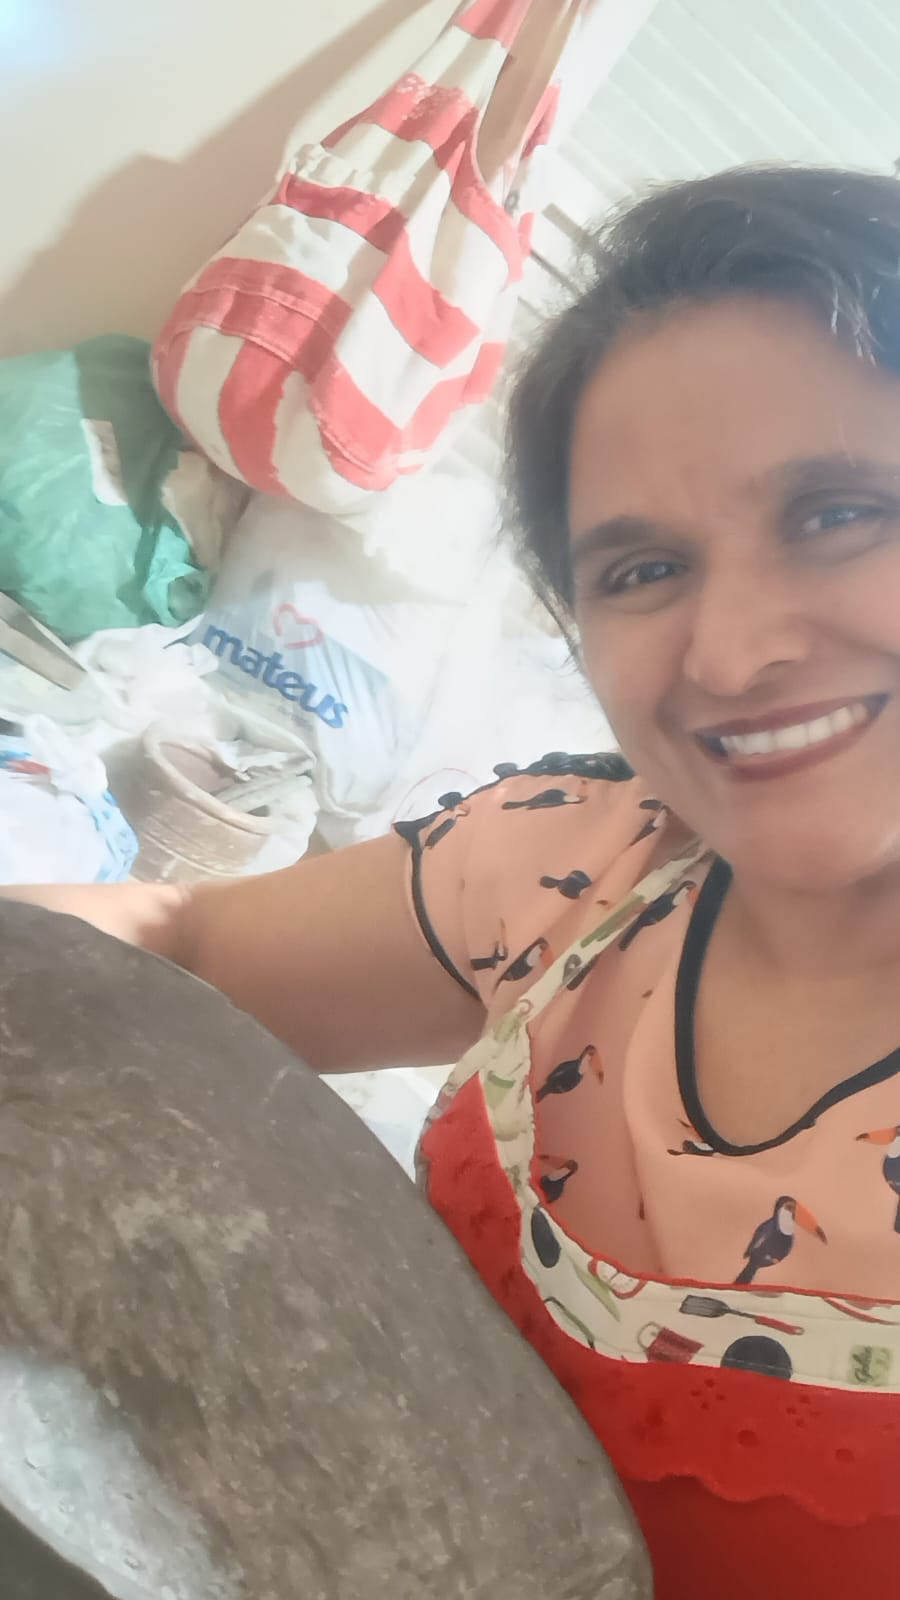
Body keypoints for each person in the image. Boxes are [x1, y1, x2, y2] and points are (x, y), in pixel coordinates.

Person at [11, 163, 900, 1597]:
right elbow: (179, 947)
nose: (733, 653)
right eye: (644, 569)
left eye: (839, 512)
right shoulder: (585, 864)